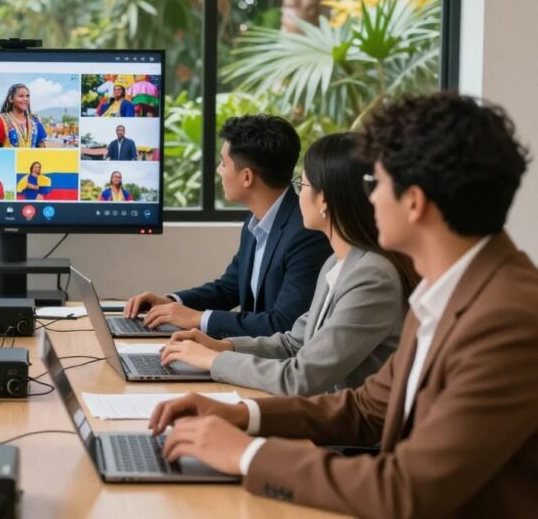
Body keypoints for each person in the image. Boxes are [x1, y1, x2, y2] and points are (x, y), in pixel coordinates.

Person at [148, 93, 538, 518]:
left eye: (377, 184)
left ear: (415, 202)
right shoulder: (448, 290)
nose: (367, 199)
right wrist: (241, 415)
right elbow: (368, 408)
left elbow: (405, 490)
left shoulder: (508, 318)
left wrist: (248, 455)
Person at [160, 133, 418, 395]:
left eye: (301, 185)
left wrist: (213, 361)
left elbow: (301, 378)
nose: (297, 196)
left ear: (324, 200)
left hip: (342, 430)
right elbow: (294, 343)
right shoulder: (335, 264)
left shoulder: (372, 276)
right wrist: (223, 347)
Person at [125, 115, 331, 338]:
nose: (218, 170)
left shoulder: (306, 233)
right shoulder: (256, 223)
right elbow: (229, 288)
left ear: (247, 177)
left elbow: (283, 324)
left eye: (223, 163)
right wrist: (171, 302)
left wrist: (196, 318)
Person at [0, 83, 48, 148]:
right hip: (8, 158)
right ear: (11, 99)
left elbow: (42, 146)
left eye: (27, 96)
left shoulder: (35, 120)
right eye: (21, 96)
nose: (26, 99)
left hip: (31, 158)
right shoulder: (0, 119)